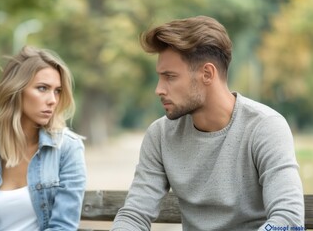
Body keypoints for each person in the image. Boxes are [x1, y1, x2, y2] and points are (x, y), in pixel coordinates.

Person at [111, 16, 305, 231]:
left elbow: (289, 219)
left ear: (207, 74)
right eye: (160, 77)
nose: (159, 89)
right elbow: (134, 216)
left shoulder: (265, 127)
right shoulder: (160, 134)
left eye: (170, 77)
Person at [0, 46, 87, 231]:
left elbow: (63, 227)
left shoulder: (67, 148)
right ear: (16, 91)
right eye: (42, 88)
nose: (52, 100)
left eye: (57, 91)